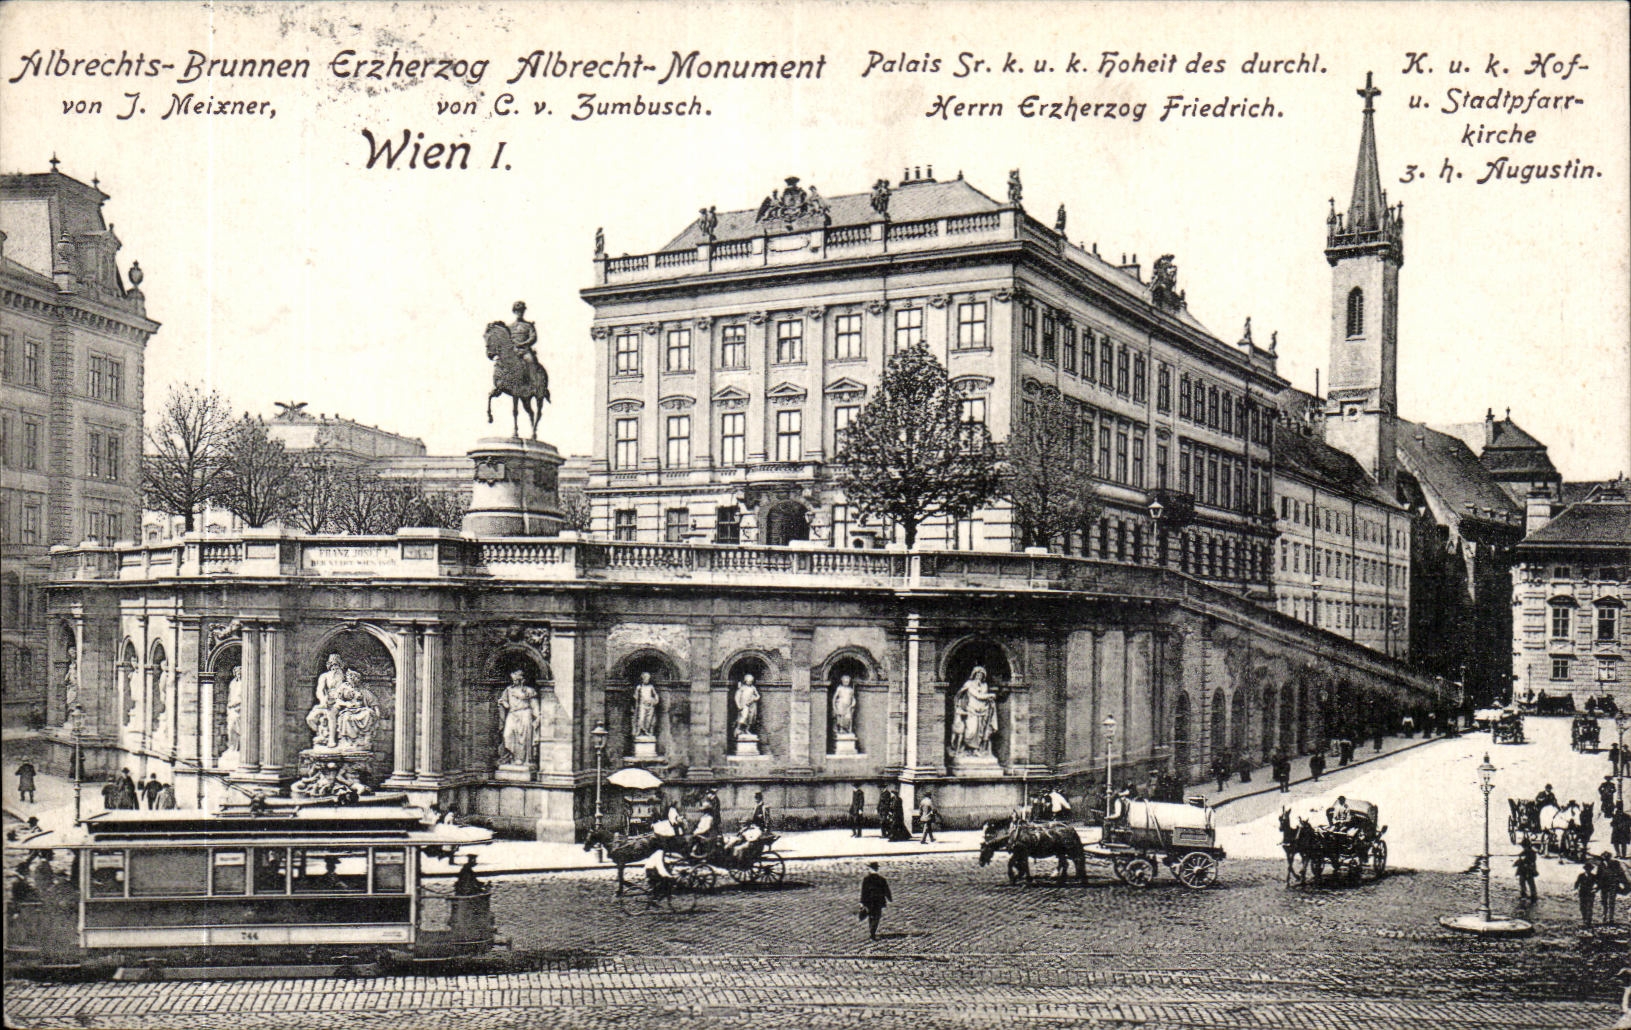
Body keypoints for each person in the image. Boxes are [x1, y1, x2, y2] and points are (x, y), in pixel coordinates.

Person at [858, 861, 891, 939]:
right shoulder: (882, 879)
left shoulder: (866, 879)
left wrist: (862, 902)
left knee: (871, 916)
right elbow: (886, 890)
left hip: (869, 901)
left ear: (870, 869)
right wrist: (889, 898)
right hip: (878, 901)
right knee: (877, 916)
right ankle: (873, 931)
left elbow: (864, 891)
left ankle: (871, 931)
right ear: (877, 869)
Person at [1596, 852, 1628, 924]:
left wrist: (1624, 883)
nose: (1606, 860)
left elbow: (1621, 874)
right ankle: (1604, 916)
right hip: (1604, 886)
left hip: (1613, 885)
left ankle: (1611, 918)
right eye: (1605, 858)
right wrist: (1598, 885)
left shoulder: (1615, 864)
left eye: (1607, 858)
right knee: (1604, 901)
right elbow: (1598, 876)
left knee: (1611, 901)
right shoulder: (1601, 865)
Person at [1576, 858, 1597, 929]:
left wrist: (1595, 889)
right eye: (1587, 869)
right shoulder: (1581, 876)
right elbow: (1577, 883)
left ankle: (1589, 921)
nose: (1588, 870)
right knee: (1582, 907)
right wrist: (1576, 889)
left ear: (1591, 870)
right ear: (1585, 869)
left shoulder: (1594, 876)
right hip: (1582, 892)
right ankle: (1584, 919)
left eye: (1589, 869)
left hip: (1590, 893)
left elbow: (1597, 884)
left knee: (1589, 907)